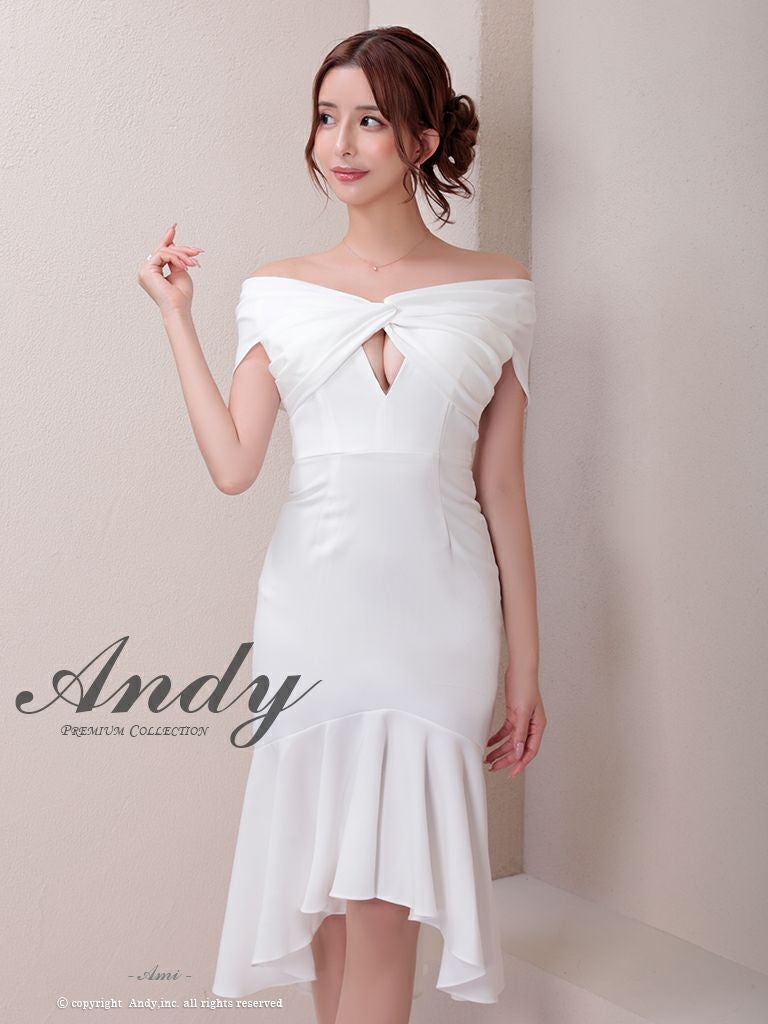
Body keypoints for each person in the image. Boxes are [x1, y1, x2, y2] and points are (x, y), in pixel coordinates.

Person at [138, 24, 546, 1024]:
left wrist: (527, 667)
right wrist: (177, 317)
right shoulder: (275, 291)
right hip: (311, 615)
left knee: (384, 897)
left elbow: (502, 490)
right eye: (327, 118)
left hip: (439, 622)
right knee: (320, 883)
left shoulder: (498, 289)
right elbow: (235, 464)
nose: (341, 143)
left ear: (422, 139)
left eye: (369, 119)